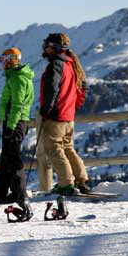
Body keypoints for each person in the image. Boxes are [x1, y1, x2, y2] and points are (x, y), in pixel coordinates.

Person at [38, 33, 90, 195]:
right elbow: (83, 88)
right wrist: (73, 107)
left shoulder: (56, 65)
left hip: (56, 116)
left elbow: (51, 89)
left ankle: (66, 184)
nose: (45, 48)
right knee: (68, 148)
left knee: (54, 149)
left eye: (47, 45)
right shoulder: (72, 64)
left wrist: (46, 110)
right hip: (68, 116)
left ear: (54, 47)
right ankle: (81, 181)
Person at [0, 47, 35, 219]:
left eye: (4, 60)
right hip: (12, 122)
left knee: (13, 160)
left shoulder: (18, 79)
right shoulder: (14, 77)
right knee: (7, 157)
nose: (2, 64)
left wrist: (10, 126)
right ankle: (1, 192)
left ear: (12, 60)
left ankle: (22, 198)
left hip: (15, 123)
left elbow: (17, 105)